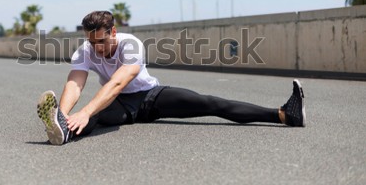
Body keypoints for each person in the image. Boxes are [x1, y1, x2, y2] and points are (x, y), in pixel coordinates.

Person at [37, 11, 306, 145]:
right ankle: (63, 131)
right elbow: (75, 82)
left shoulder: (130, 44)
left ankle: (284, 114)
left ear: (114, 32)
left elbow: (120, 81)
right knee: (93, 117)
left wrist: (84, 110)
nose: (96, 47)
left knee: (208, 103)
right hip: (118, 103)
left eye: (101, 41)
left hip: (151, 97)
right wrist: (64, 112)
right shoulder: (86, 50)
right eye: (91, 41)